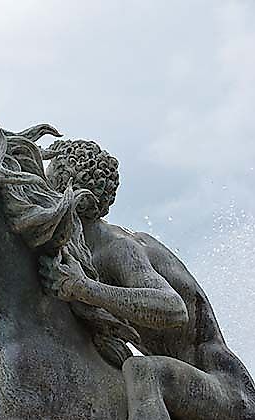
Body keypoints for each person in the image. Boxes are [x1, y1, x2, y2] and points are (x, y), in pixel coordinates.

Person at [39, 139, 255, 420]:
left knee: (142, 371)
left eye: (50, 186)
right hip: (185, 386)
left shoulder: (119, 246)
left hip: (228, 392)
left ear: (78, 197)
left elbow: (173, 309)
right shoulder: (84, 253)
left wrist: (82, 288)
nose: (45, 197)